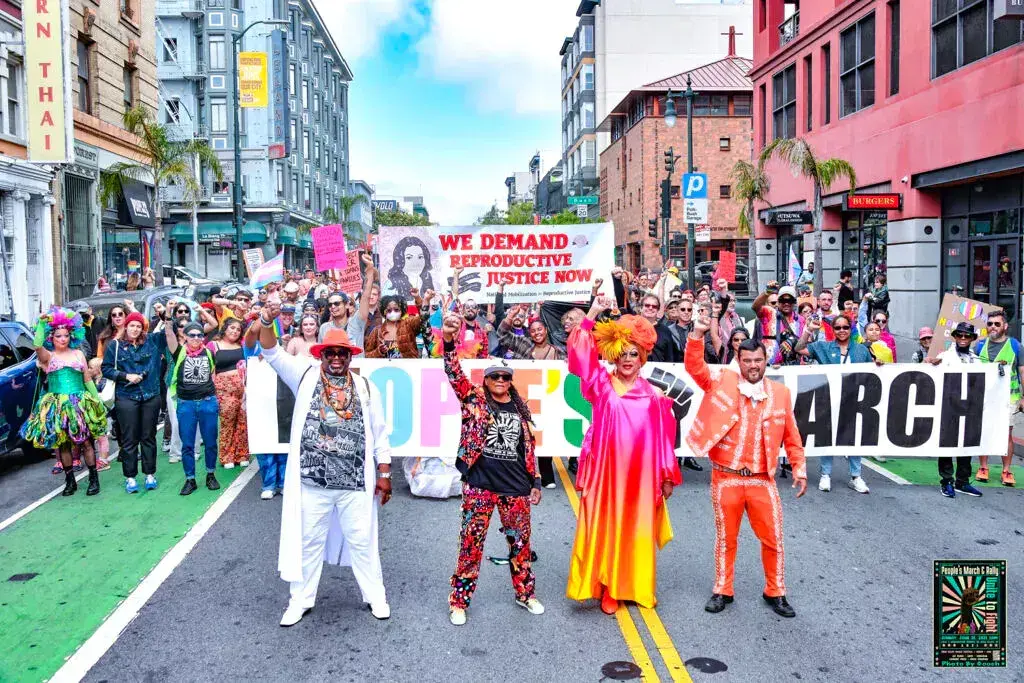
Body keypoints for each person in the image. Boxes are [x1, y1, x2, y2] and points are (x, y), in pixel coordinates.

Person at [257, 301, 393, 626]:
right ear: (320, 354)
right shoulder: (303, 375)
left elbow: (381, 432)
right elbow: (271, 350)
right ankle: (299, 601)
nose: (335, 358)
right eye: (330, 352)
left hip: (355, 483)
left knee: (363, 540)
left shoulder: (366, 387)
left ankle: (376, 596)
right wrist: (266, 319)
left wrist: (385, 472)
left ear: (350, 356)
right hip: (312, 481)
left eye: (341, 353)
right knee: (309, 541)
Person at [685, 312, 807, 618]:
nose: (753, 366)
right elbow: (694, 367)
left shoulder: (780, 393)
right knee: (726, 538)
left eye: (758, 360)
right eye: (747, 360)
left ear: (766, 360)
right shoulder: (722, 381)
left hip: (761, 479)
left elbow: (792, 434)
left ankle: (775, 591)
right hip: (726, 476)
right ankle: (722, 589)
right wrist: (697, 334)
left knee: (773, 538)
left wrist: (799, 467)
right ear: (738, 360)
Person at [566, 296, 682, 615]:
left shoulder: (654, 395)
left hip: (641, 477)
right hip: (606, 473)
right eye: (623, 354)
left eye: (634, 354)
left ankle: (633, 584)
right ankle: (607, 587)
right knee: (606, 525)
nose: (628, 359)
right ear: (615, 356)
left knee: (636, 527)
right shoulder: (601, 384)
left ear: (641, 357)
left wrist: (667, 476)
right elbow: (579, 355)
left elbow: (662, 441)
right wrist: (592, 313)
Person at [440, 314, 544, 625]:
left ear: (511, 381)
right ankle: (459, 601)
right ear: (485, 380)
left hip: (515, 489)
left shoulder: (521, 408)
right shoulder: (473, 400)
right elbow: (452, 370)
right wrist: (448, 340)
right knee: (470, 546)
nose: (500, 380)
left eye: (505, 377)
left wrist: (535, 480)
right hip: (480, 486)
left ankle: (525, 594)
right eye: (495, 376)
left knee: (521, 546)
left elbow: (528, 447)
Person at [20, 308, 107, 497]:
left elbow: (86, 379)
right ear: (52, 338)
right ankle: (70, 481)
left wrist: (97, 401)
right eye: (58, 336)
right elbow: (36, 345)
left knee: (85, 443)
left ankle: (93, 478)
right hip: (58, 404)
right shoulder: (48, 357)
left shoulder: (78, 354)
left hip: (79, 403)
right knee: (63, 444)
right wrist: (42, 324)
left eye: (66, 335)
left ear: (71, 335)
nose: (62, 339)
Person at [795, 315, 873, 494]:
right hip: (828, 399)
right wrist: (808, 330)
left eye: (845, 327)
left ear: (851, 328)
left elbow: (871, 373)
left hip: (853, 401)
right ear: (833, 330)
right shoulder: (823, 347)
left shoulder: (861, 350)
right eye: (837, 328)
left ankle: (856, 476)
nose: (842, 330)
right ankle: (825, 474)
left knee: (853, 438)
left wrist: (878, 366)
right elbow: (799, 348)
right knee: (827, 436)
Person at [102, 311, 166, 494]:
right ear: (126, 326)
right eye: (132, 325)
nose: (135, 329)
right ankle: (130, 477)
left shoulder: (152, 342)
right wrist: (125, 375)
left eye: (138, 326)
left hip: (150, 395)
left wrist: (164, 314)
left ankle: (149, 474)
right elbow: (106, 368)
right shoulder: (115, 346)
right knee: (129, 439)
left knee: (148, 436)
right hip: (126, 395)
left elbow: (170, 331)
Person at [164, 321, 221, 495]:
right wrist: (167, 316)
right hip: (186, 403)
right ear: (185, 337)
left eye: (199, 335)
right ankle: (190, 479)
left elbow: (213, 375)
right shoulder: (179, 352)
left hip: (207, 401)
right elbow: (169, 335)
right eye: (192, 335)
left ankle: (210, 474)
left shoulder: (209, 353)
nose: (196, 338)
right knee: (187, 444)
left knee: (210, 442)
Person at [931, 322, 985, 499]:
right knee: (947, 445)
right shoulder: (944, 357)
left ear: (972, 339)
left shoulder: (977, 359)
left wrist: (999, 368)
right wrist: (932, 365)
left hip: (969, 409)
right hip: (948, 407)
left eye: (967, 336)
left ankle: (963, 481)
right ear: (954, 337)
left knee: (966, 445)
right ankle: (946, 481)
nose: (963, 339)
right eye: (959, 335)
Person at [973, 311, 1020, 487]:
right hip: (985, 396)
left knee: (1006, 434)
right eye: (990, 324)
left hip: (1009, 398)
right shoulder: (980, 346)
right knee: (984, 431)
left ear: (1005, 327)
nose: (993, 327)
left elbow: (1022, 372)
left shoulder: (1015, 346)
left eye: (997, 324)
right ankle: (983, 467)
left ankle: (1006, 470)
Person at [752, 283, 805, 366]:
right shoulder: (769, 313)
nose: (786, 304)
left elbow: (805, 341)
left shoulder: (800, 320)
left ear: (794, 302)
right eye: (783, 300)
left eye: (790, 300)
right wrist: (767, 292)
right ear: (778, 302)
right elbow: (755, 307)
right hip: (769, 366)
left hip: (793, 366)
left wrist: (792, 341)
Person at [365, 292, 431, 359]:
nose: (392, 312)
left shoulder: (408, 324)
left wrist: (419, 298)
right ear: (384, 312)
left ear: (401, 310)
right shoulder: (377, 331)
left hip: (408, 368)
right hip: (384, 369)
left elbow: (424, 317)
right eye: (389, 310)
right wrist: (379, 351)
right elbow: (367, 355)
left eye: (396, 310)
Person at [385, 235, 436, 300]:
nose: (416, 262)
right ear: (400, 260)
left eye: (420, 257)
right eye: (409, 257)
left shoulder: (426, 280)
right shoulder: (391, 285)